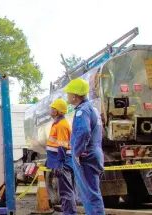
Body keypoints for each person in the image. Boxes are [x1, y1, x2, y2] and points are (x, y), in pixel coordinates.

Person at [64, 78, 105, 215]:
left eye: (68, 94)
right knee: (91, 193)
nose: (67, 96)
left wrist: (78, 152)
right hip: (94, 152)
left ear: (75, 96)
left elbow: (84, 131)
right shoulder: (91, 109)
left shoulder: (82, 111)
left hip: (86, 156)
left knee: (89, 194)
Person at [47, 99, 77, 215]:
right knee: (65, 192)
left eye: (52, 108)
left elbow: (62, 146)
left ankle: (70, 213)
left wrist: (59, 164)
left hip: (63, 163)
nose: (50, 109)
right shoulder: (58, 124)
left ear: (56, 111)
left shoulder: (61, 125)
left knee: (66, 192)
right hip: (61, 163)